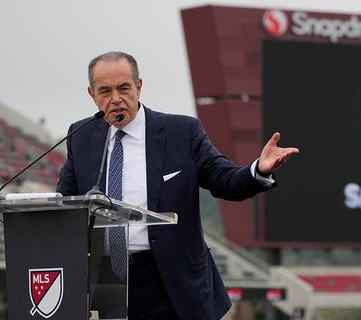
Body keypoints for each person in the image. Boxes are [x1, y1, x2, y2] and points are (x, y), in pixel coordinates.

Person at [56, 51, 299, 320]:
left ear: (138, 86)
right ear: (92, 94)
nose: (115, 99)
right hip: (110, 282)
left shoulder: (181, 132)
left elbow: (225, 181)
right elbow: (64, 202)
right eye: (105, 91)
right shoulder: (81, 136)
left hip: (173, 283)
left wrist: (258, 169)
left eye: (123, 88)